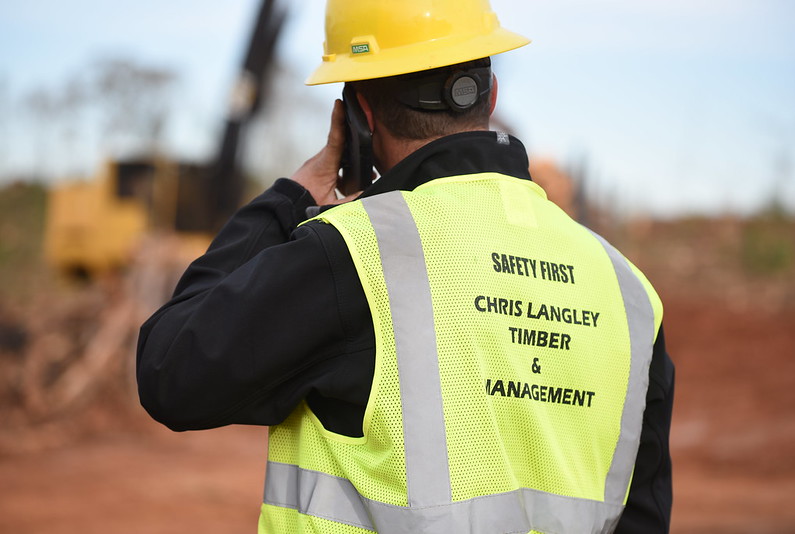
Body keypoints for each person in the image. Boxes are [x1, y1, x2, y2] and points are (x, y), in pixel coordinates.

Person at [137, 0, 675, 532]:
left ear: (358, 116)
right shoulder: (627, 291)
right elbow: (642, 517)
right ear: (491, 94)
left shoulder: (354, 255)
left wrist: (288, 198)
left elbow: (171, 371)